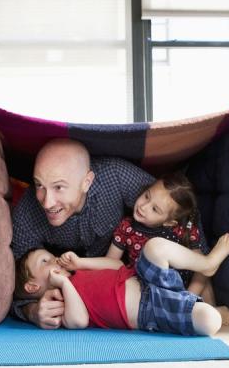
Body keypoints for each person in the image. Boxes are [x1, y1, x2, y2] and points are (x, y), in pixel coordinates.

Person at [10, 138, 154, 329]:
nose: (47, 202)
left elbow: (175, 207)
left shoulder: (116, 177)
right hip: (87, 308)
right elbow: (11, 284)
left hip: (131, 281)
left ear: (87, 182)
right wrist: (32, 312)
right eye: (39, 185)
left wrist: (198, 281)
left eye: (59, 187)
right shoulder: (27, 213)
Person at [56, 173, 229, 324]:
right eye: (146, 196)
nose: (143, 206)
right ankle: (196, 306)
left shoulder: (182, 231)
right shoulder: (127, 227)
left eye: (155, 209)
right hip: (147, 291)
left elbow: (200, 272)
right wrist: (80, 263)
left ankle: (205, 284)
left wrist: (189, 297)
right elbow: (113, 263)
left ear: (169, 221)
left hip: (182, 292)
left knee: (201, 270)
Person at [14, 233, 229, 336]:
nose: (54, 259)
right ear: (33, 286)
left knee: (154, 246)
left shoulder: (77, 272)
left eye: (52, 255)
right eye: (45, 261)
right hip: (151, 311)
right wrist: (62, 283)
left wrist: (81, 262)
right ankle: (207, 308)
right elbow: (78, 321)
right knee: (209, 320)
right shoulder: (59, 305)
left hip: (143, 277)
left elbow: (115, 263)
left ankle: (206, 264)